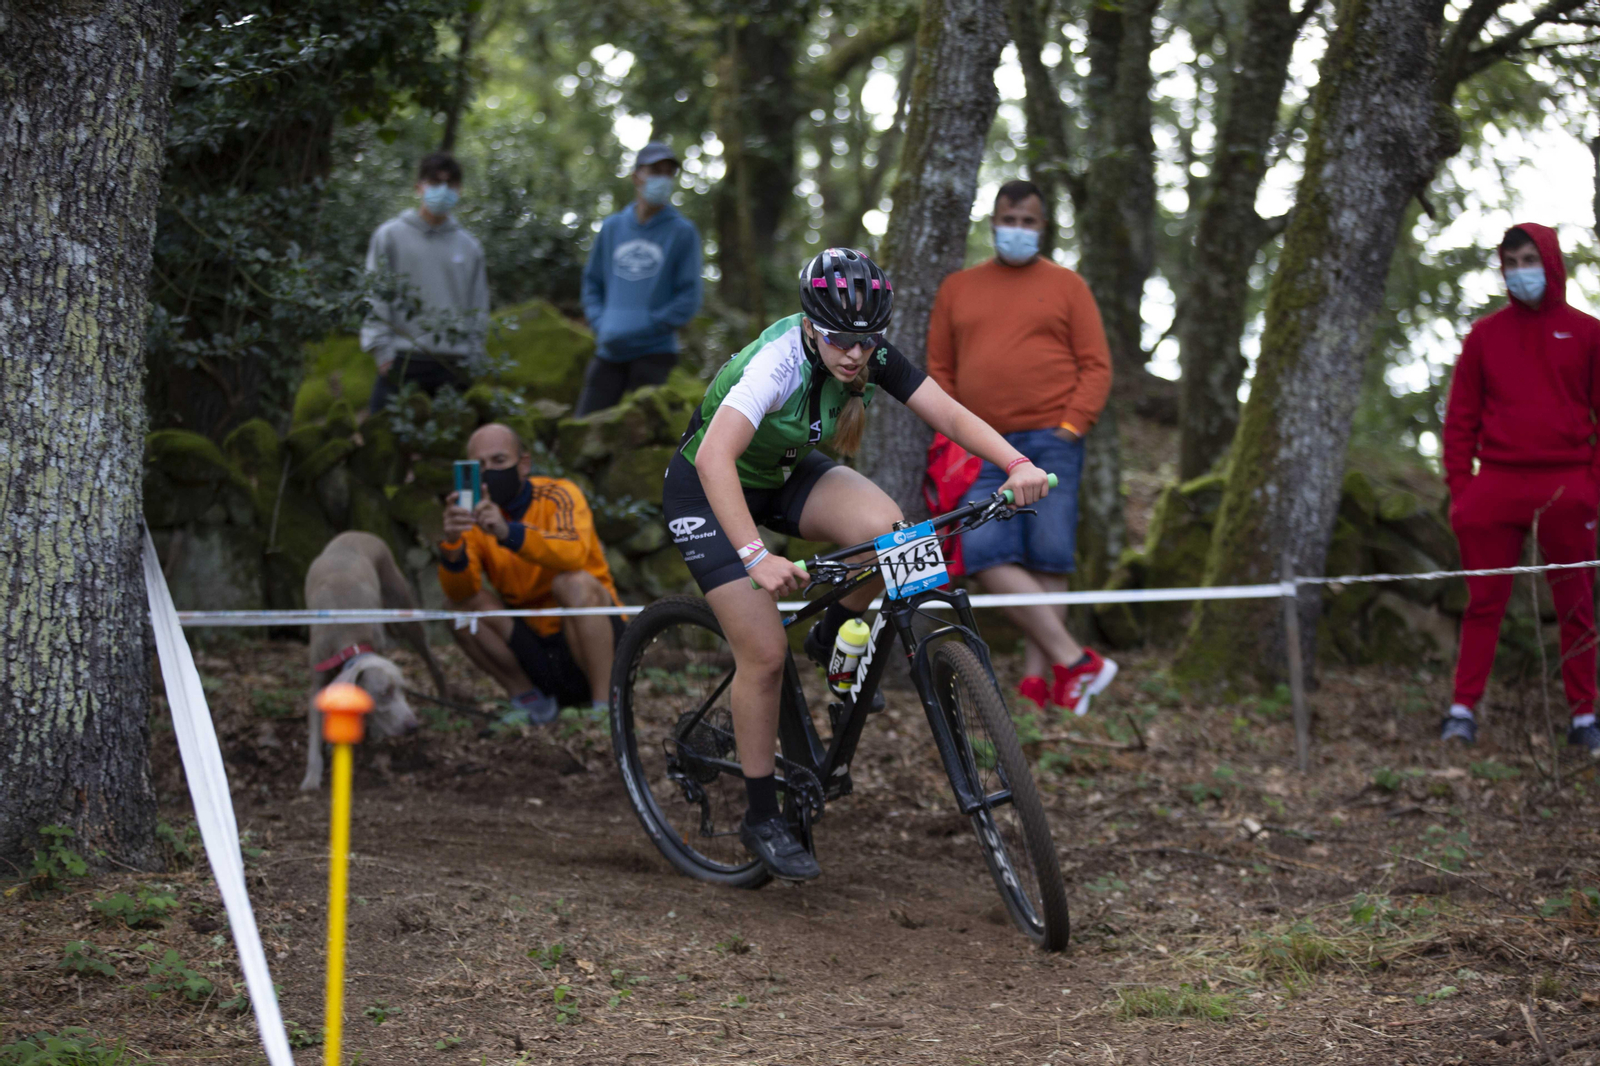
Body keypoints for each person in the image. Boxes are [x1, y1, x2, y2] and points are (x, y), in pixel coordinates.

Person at [663, 247, 1053, 882]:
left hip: (783, 476)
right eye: (840, 339)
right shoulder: (779, 361)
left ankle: (828, 634)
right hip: (707, 488)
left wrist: (1015, 464)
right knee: (762, 653)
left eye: (867, 342)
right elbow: (714, 460)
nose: (854, 354)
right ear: (811, 326)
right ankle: (762, 816)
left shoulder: (869, 358)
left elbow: (947, 413)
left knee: (892, 535)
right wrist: (756, 556)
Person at [926, 179, 1117, 719]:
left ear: (1043, 226)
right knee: (984, 551)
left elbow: (1096, 365)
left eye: (1028, 222)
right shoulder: (957, 288)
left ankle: (1043, 684)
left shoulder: (1067, 286)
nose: (1017, 230)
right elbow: (938, 369)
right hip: (982, 445)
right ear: (992, 222)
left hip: (1051, 441)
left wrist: (1071, 427)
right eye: (1009, 219)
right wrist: (958, 433)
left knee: (1048, 555)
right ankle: (1075, 659)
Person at [1440, 223, 1600, 754]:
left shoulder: (1588, 333)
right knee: (1483, 602)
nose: (1520, 270)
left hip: (1567, 484)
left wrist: (1591, 488)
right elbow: (1461, 417)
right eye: (1511, 262)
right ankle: (1462, 711)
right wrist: (1463, 491)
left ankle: (1584, 717)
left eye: (1529, 259)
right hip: (1498, 483)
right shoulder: (1485, 335)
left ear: (1550, 262)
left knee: (1576, 604)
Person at [439, 423, 624, 724]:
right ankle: (530, 702)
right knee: (458, 609)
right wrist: (452, 546)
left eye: (499, 461)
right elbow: (461, 592)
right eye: (480, 466)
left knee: (573, 582)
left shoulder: (560, 494)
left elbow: (573, 552)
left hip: (592, 635)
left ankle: (607, 706)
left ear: (523, 464)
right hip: (534, 646)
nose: (489, 472)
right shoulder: (470, 515)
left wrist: (506, 532)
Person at [576, 141, 703, 415]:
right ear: (636, 177)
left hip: (654, 353)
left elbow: (689, 296)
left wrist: (650, 324)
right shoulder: (612, 228)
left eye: (669, 173)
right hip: (609, 350)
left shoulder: (682, 232)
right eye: (655, 170)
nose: (663, 179)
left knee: (647, 439)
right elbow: (592, 283)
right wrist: (602, 323)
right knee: (583, 427)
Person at [361, 152, 490, 415]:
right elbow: (375, 294)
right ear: (419, 187)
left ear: (459, 190)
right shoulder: (390, 236)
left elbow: (478, 305)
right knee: (382, 446)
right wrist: (381, 351)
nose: (442, 191)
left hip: (453, 362)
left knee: (448, 449)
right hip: (402, 357)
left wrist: (474, 357)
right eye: (435, 183)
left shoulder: (469, 247)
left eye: (450, 184)